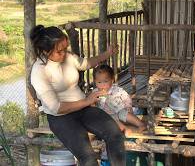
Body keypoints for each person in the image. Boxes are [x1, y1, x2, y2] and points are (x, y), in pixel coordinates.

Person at [30, 25, 125, 166]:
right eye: (59, 51)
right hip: (61, 118)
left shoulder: (67, 57)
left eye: (65, 48)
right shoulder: (39, 72)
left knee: (115, 134)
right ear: (45, 51)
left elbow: (85, 63)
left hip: (83, 110)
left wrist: (107, 53)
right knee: (88, 158)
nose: (64, 54)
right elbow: (56, 108)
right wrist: (87, 101)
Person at [93, 64, 146, 134]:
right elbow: (92, 103)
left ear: (112, 80)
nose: (102, 85)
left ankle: (140, 124)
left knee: (127, 115)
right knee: (113, 122)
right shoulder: (95, 93)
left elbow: (126, 97)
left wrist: (128, 107)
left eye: (106, 81)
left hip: (119, 110)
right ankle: (125, 129)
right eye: (99, 82)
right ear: (95, 82)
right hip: (107, 115)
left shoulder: (117, 89)